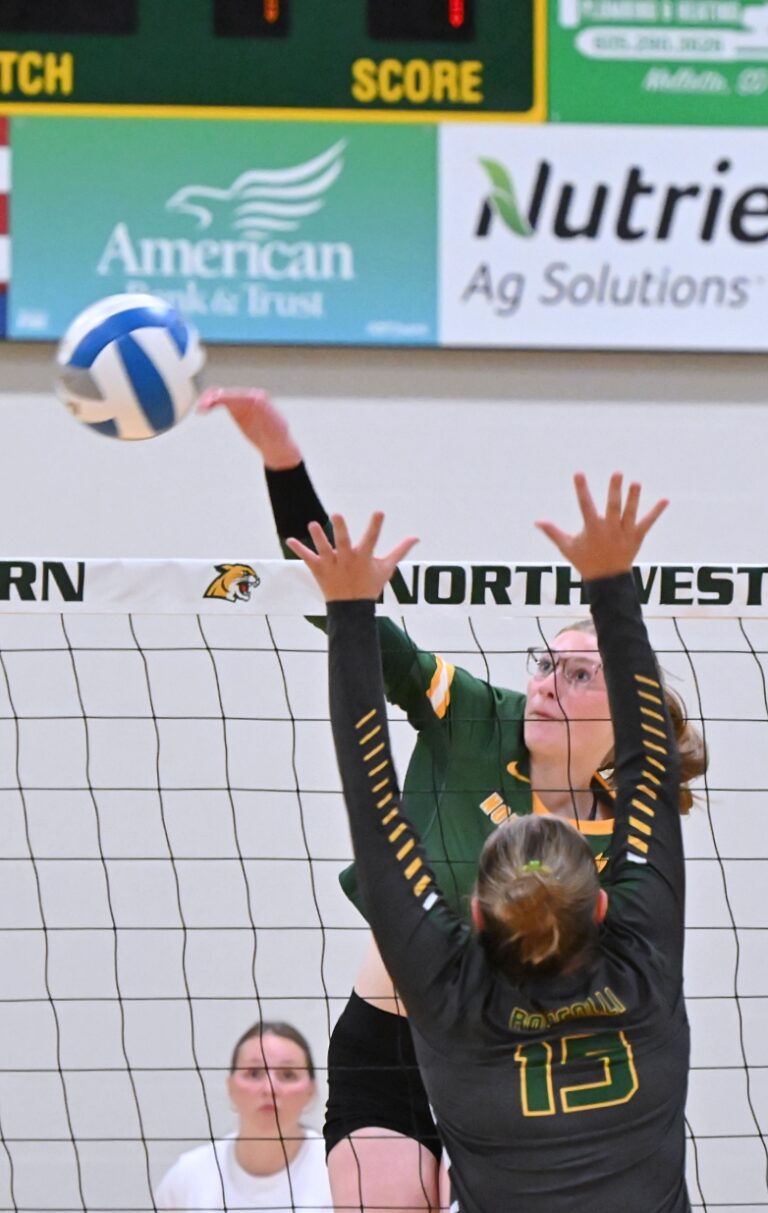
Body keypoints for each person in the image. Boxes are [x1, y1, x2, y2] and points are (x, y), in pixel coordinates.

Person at [198, 389, 705, 1213]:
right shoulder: (475, 715)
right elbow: (360, 632)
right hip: (404, 1032)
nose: (545, 679)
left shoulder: (624, 830)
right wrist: (284, 464)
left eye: (579, 672)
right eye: (545, 661)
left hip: (529, 1059)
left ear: (624, 714)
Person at [155, 1021, 332, 1212]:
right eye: (254, 1073)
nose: (269, 1089)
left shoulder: (341, 1170)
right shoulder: (187, 1177)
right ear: (230, 1087)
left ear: (311, 1091)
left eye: (288, 1075)